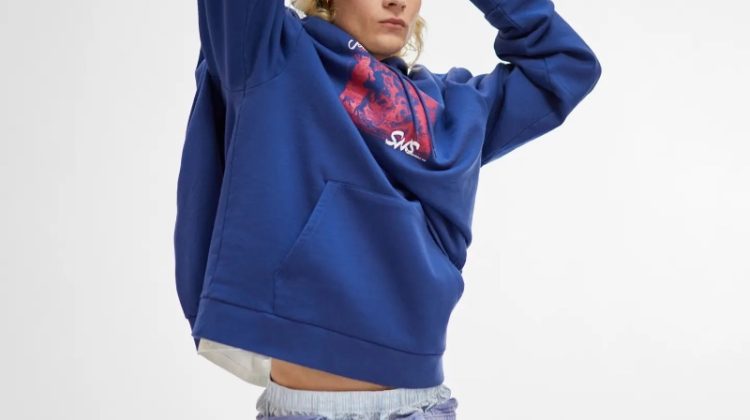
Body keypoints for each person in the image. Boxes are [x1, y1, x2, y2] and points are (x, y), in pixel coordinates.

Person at [174, 0, 602, 418]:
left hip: (421, 407)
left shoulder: (453, 110)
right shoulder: (272, 55)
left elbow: (565, 66)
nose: (396, 2)